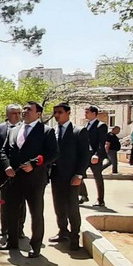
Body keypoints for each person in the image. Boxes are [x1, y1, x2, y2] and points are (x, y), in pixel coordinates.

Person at [0, 101, 58, 258]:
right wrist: (7, 166)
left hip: (35, 180)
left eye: (28, 109)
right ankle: (12, 241)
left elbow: (53, 154)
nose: (24, 111)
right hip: (14, 179)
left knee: (36, 213)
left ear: (38, 114)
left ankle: (36, 246)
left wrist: (34, 164)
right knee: (11, 212)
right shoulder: (14, 130)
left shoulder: (46, 131)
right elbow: (4, 151)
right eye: (24, 109)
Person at [48, 103, 88, 251]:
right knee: (59, 207)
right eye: (55, 112)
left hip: (72, 177)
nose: (57, 115)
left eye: (59, 112)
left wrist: (79, 174)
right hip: (56, 176)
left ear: (68, 113)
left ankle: (74, 237)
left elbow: (85, 155)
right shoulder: (53, 131)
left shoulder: (79, 131)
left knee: (72, 208)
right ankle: (62, 231)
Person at [0, 104, 27, 240]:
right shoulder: (0, 128)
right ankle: (4, 227)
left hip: (20, 171)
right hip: (3, 171)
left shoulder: (25, 128)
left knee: (21, 202)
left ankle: (19, 229)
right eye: (13, 113)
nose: (17, 115)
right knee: (5, 200)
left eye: (19, 113)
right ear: (7, 114)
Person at [79, 105, 107, 206]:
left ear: (94, 113)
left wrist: (97, 155)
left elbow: (101, 142)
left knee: (97, 177)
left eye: (87, 112)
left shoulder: (101, 125)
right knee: (78, 174)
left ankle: (100, 200)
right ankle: (83, 195)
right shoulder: (86, 125)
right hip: (86, 155)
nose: (85, 114)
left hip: (95, 156)